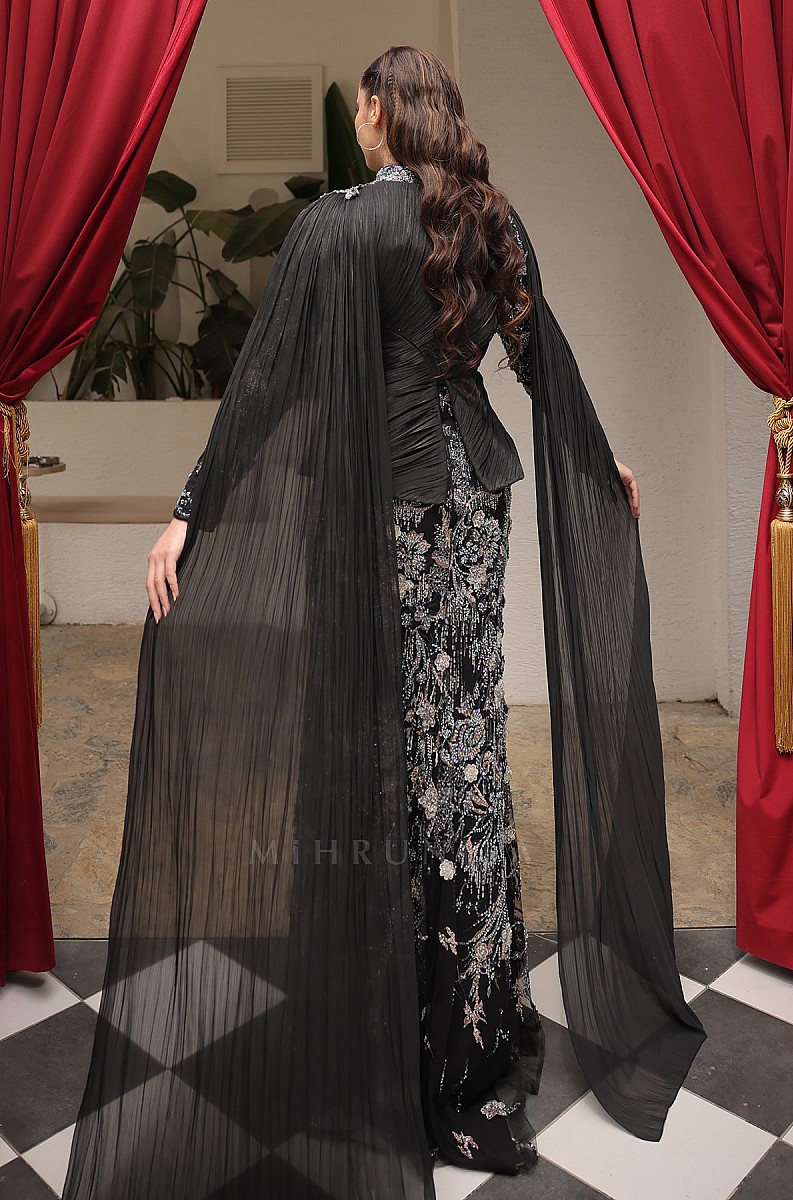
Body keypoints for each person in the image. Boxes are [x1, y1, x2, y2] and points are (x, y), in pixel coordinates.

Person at [62, 45, 705, 1200]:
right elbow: (539, 359)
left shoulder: (339, 225)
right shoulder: (487, 216)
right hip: (476, 509)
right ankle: (470, 1048)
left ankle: (394, 1048)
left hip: (392, 517)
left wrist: (191, 510)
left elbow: (264, 382)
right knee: (464, 764)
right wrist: (592, 456)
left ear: (374, 112)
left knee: (390, 760)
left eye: (361, 107)